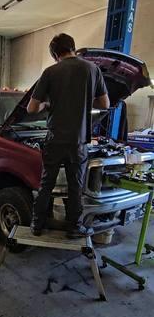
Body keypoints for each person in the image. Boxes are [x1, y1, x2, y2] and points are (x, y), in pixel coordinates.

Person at [27, 33, 110, 237]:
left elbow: (31, 108)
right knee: (75, 187)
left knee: (47, 183)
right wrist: (83, 100)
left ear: (55, 54)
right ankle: (74, 228)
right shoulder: (92, 69)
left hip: (54, 140)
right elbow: (105, 104)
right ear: (73, 48)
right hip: (78, 141)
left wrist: (47, 104)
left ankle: (37, 225)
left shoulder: (50, 72)